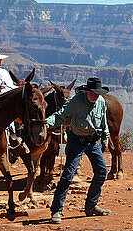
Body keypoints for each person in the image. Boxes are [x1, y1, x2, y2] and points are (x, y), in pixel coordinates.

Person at [45, 77, 111, 223]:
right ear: (86, 91)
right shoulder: (75, 101)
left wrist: (105, 138)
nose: (95, 96)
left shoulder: (100, 102)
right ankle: (56, 210)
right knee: (68, 175)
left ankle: (91, 206)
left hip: (93, 140)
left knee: (101, 172)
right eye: (93, 93)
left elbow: (104, 122)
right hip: (76, 141)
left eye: (98, 93)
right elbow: (60, 116)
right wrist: (47, 123)